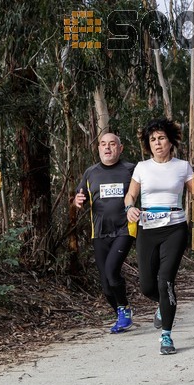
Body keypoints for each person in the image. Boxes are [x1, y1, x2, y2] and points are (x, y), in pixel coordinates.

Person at [124, 117, 194, 355]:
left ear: (170, 141)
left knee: (165, 280)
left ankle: (166, 336)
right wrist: (129, 208)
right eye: (152, 140)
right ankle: (161, 304)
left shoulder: (183, 167)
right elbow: (130, 196)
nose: (157, 143)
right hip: (147, 228)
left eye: (161, 138)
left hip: (175, 227)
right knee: (147, 286)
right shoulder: (142, 167)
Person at [74, 133, 136, 333]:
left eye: (112, 144)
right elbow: (79, 195)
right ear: (98, 148)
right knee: (106, 285)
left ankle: (124, 311)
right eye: (103, 144)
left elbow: (146, 191)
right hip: (99, 231)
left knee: (112, 271)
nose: (107, 147)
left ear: (120, 148)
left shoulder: (131, 170)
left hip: (125, 229)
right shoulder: (91, 172)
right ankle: (121, 311)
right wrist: (77, 201)